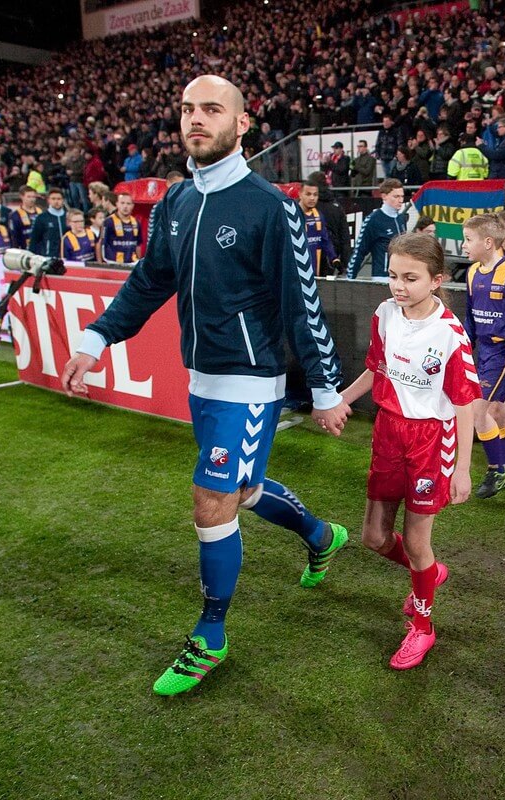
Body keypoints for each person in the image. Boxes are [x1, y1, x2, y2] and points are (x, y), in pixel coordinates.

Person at [60, 75, 350, 697]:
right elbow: (147, 281)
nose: (197, 119)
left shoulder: (271, 206)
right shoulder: (174, 201)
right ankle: (323, 536)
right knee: (241, 491)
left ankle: (210, 636)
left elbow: (302, 303)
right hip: (202, 378)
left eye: (212, 109)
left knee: (209, 499)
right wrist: (96, 338)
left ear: (242, 124)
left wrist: (325, 388)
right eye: (189, 109)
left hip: (251, 381)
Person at [330, 232, 480, 669]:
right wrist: (341, 399)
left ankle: (423, 627)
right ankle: (429, 574)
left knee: (417, 542)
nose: (398, 286)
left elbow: (465, 404)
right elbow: (376, 368)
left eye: (410, 278)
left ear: (437, 280)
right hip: (388, 434)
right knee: (374, 538)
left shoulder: (451, 335)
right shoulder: (384, 313)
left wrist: (464, 469)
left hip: (432, 442)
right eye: (393, 276)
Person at [463, 214, 505, 498]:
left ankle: (496, 469)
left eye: (468, 239)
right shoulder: (471, 273)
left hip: (503, 352)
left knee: (478, 412)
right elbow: (469, 315)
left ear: (488, 242)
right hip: (482, 351)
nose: (464, 245)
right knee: (498, 412)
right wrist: (465, 344)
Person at [346, 178, 407, 280]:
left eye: (402, 196)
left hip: (402, 276)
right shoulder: (373, 219)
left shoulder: (401, 218)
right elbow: (359, 251)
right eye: (396, 196)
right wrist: (349, 279)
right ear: (384, 196)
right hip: (382, 276)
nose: (400, 200)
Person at [307, 171, 350, 276]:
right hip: (331, 255)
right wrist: (344, 263)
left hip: (309, 252)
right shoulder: (336, 206)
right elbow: (344, 237)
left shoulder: (306, 206)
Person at [298, 176, 339, 276]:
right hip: (296, 274)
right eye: (308, 194)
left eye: (315, 195)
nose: (312, 198)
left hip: (315, 273)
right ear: (300, 194)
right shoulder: (292, 215)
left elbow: (325, 240)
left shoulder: (318, 215)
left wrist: (334, 258)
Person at [101, 191, 142, 264]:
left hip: (132, 262)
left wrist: (139, 261)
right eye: (122, 203)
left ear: (133, 206)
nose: (125, 206)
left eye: (128, 203)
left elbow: (138, 245)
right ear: (117, 204)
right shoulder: (108, 222)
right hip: (113, 263)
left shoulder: (136, 222)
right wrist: (101, 262)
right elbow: (101, 243)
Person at [29, 188, 68, 258]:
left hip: (67, 256)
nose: (56, 201)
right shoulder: (41, 218)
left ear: (63, 200)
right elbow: (34, 240)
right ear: (48, 200)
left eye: (59, 199)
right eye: (53, 199)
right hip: (49, 257)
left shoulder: (68, 216)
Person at [8, 185, 41, 250]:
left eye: (33, 197)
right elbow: (14, 237)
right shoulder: (15, 215)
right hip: (25, 250)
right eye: (28, 197)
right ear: (22, 197)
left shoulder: (40, 211)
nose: (32, 199)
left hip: (40, 249)